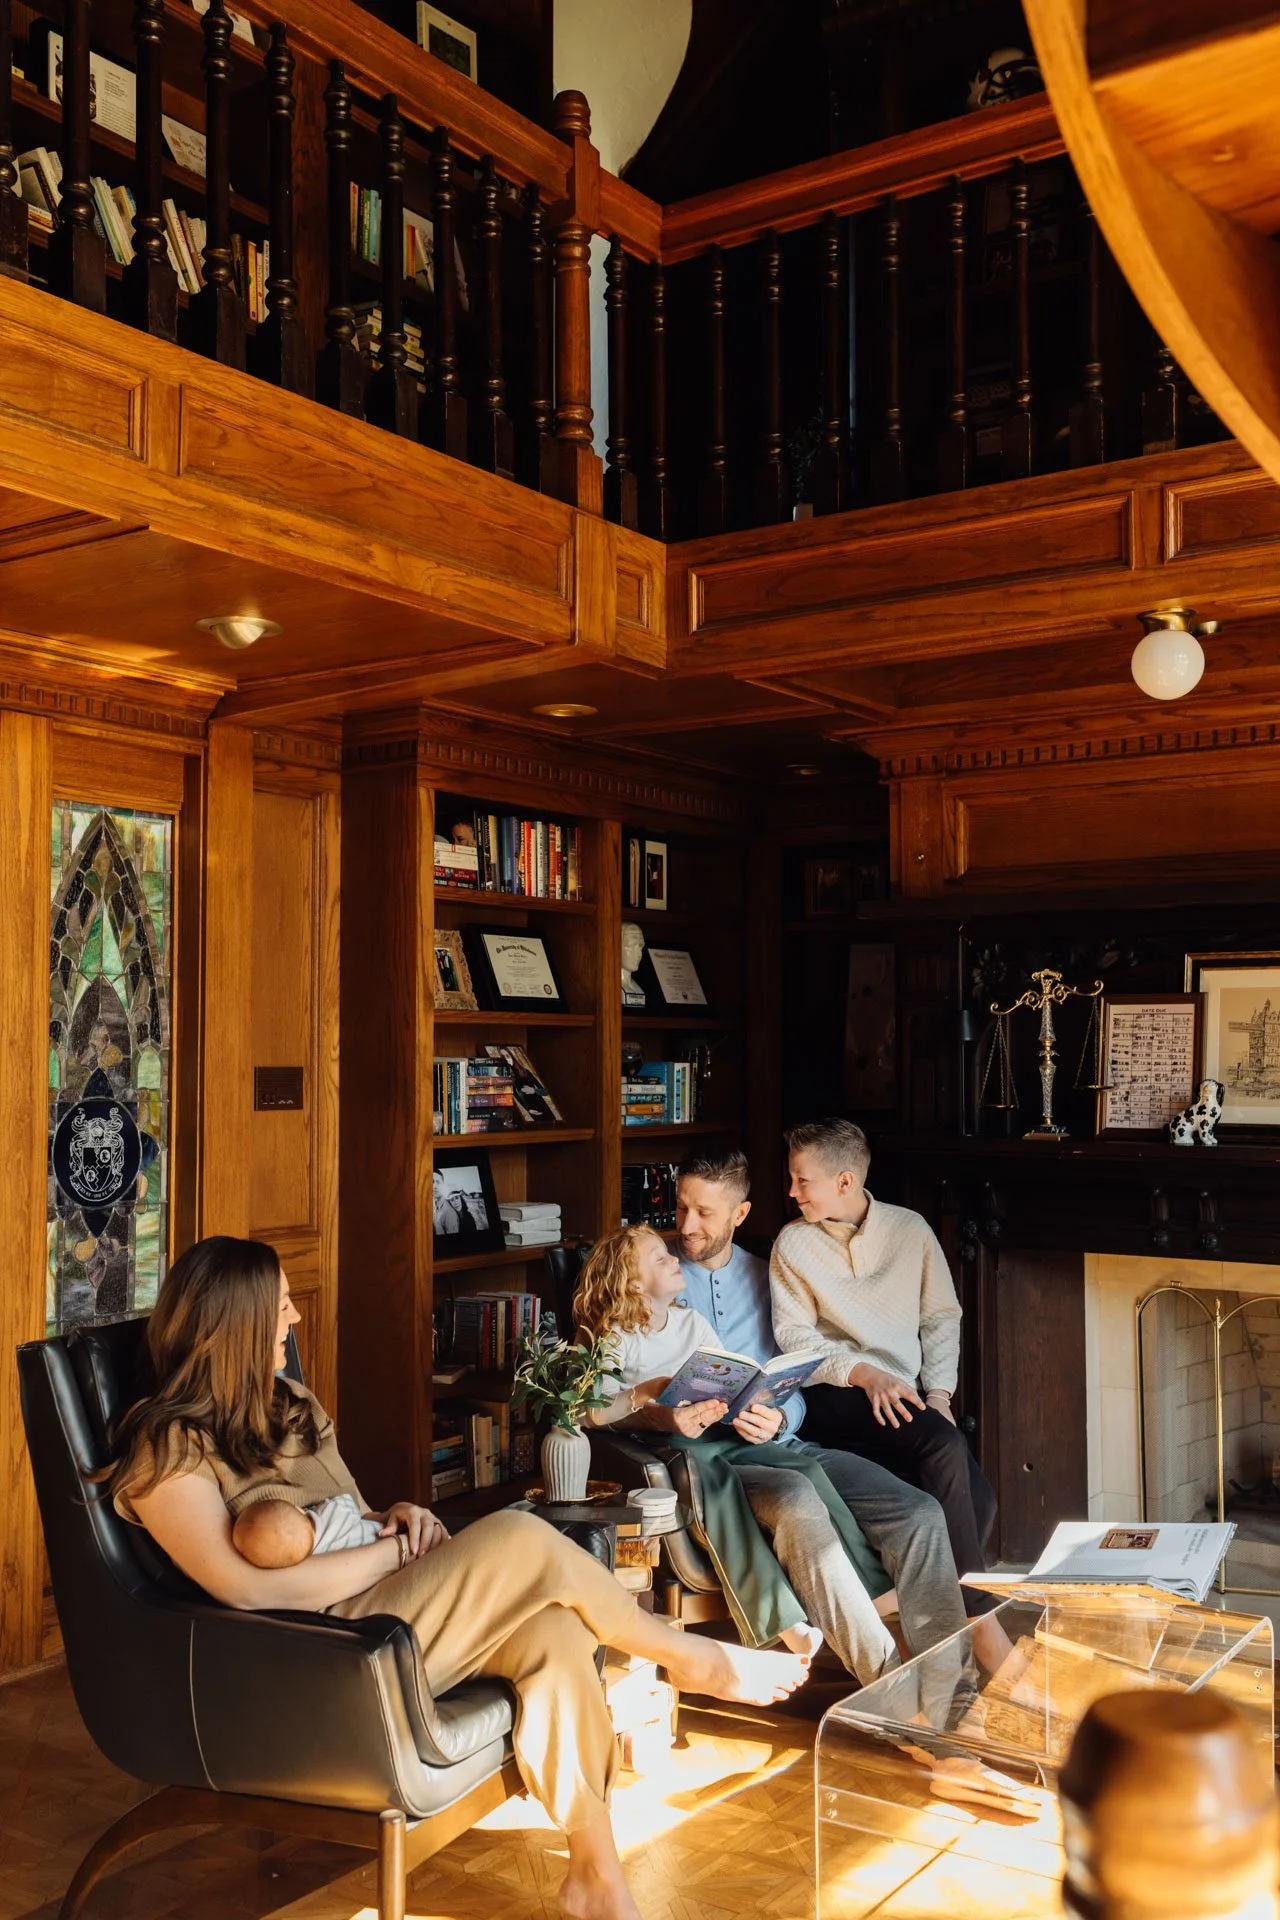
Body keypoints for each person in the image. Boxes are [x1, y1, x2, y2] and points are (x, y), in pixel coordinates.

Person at [104, 1236, 806, 1920]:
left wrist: (397, 1515)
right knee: (520, 1532)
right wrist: (389, 1556)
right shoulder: (167, 1447)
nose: (293, 1318)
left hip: (386, 1605)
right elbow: (243, 1590)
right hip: (315, 1646)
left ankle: (596, 1877)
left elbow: (353, 1512)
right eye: (281, 1306)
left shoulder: (290, 1404)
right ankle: (691, 1657)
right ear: (238, 1324)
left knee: (553, 1629)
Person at [674, 1149, 979, 1664]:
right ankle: (904, 1694)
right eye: (682, 1208)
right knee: (802, 1496)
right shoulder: (654, 1275)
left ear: (740, 1215)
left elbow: (792, 1376)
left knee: (923, 1512)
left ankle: (955, 1686)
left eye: (704, 1213)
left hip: (784, 1442)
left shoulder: (762, 1274)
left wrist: (779, 1418)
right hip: (711, 1458)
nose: (687, 1226)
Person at [574, 1223, 904, 1683]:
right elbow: (590, 1410)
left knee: (804, 1468)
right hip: (672, 1451)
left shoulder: (692, 1323)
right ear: (633, 1283)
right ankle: (783, 1618)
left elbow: (729, 1374)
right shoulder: (616, 1337)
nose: (674, 1259)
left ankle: (870, 1585)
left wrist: (756, 1400)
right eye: (659, 1258)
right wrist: (648, 1395)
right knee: (731, 1485)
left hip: (719, 1433)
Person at [770, 1117, 999, 1618]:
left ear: (845, 1181)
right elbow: (795, 1339)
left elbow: (940, 1317)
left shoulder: (909, 1230)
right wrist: (860, 1373)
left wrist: (938, 1395)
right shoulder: (793, 1244)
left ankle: (906, 1598)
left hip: (904, 1390)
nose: (792, 1192)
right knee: (942, 1444)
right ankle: (978, 1618)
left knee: (981, 1502)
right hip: (833, 1389)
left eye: (802, 1180)